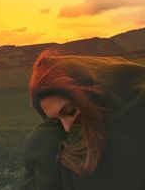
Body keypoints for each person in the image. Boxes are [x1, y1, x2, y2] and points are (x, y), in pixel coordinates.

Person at [19, 49, 145, 190]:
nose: (66, 128)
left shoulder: (135, 115)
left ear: (91, 94)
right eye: (56, 122)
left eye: (69, 111)